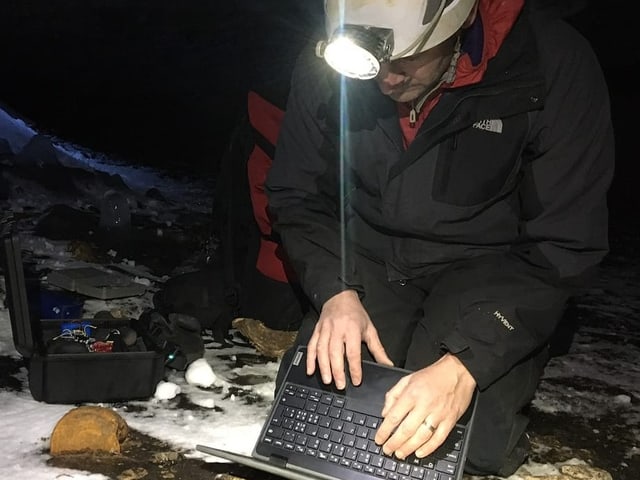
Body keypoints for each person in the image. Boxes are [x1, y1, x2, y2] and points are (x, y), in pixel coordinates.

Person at [265, 0, 614, 477]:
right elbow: (297, 193)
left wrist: (466, 363)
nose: (385, 79)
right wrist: (334, 291)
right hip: (369, 256)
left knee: (467, 443)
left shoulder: (550, 62)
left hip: (487, 269)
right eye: (372, 61)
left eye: (405, 60)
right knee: (318, 415)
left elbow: (565, 244)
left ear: (460, 22)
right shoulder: (329, 55)